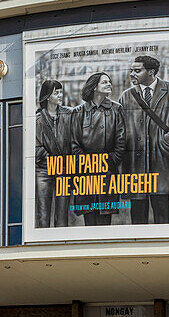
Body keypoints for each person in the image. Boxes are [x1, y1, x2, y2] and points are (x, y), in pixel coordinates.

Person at [118, 55, 169, 224]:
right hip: (135, 165)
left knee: (162, 213)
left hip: (161, 160)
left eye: (137, 70)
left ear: (151, 72)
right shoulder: (126, 96)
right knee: (137, 217)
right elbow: (120, 128)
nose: (132, 74)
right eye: (131, 70)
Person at [71, 72, 126, 226]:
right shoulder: (78, 112)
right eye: (104, 82)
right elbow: (73, 144)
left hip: (108, 172)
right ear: (94, 87)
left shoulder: (116, 109)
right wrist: (88, 162)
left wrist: (110, 161)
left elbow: (121, 141)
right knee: (89, 219)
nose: (109, 84)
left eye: (110, 82)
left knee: (105, 221)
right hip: (85, 173)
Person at [35, 79, 72, 227]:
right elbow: (36, 148)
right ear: (47, 95)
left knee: (62, 217)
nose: (60, 95)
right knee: (43, 216)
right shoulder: (37, 120)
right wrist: (51, 158)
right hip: (44, 171)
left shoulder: (68, 115)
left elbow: (74, 139)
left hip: (64, 170)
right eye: (56, 93)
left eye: (61, 92)